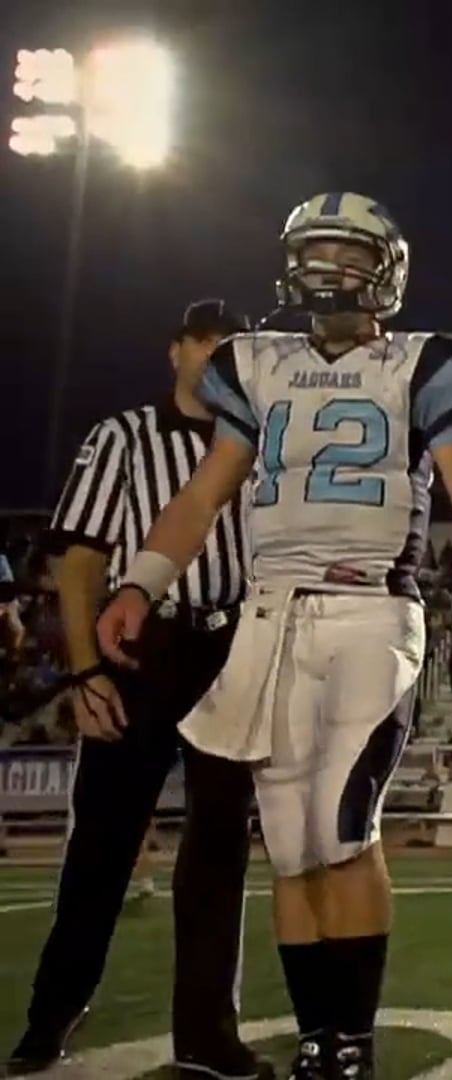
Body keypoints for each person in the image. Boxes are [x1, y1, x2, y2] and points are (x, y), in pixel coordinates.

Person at [96, 192, 452, 1080]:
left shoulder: (424, 366)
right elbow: (203, 496)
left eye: (349, 256)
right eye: (317, 253)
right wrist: (139, 584)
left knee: (344, 826)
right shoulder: (257, 364)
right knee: (293, 845)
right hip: (270, 618)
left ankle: (355, 1041)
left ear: (386, 271)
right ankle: (319, 1039)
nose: (330, 271)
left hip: (371, 612)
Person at [6, 301, 266, 1080]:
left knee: (219, 851)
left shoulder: (258, 443)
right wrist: (85, 670)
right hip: (144, 644)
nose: (221, 356)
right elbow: (79, 559)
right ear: (177, 349)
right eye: (209, 341)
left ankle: (207, 1036)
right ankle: (51, 1014)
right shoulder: (122, 436)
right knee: (103, 845)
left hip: (232, 645)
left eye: (234, 346)